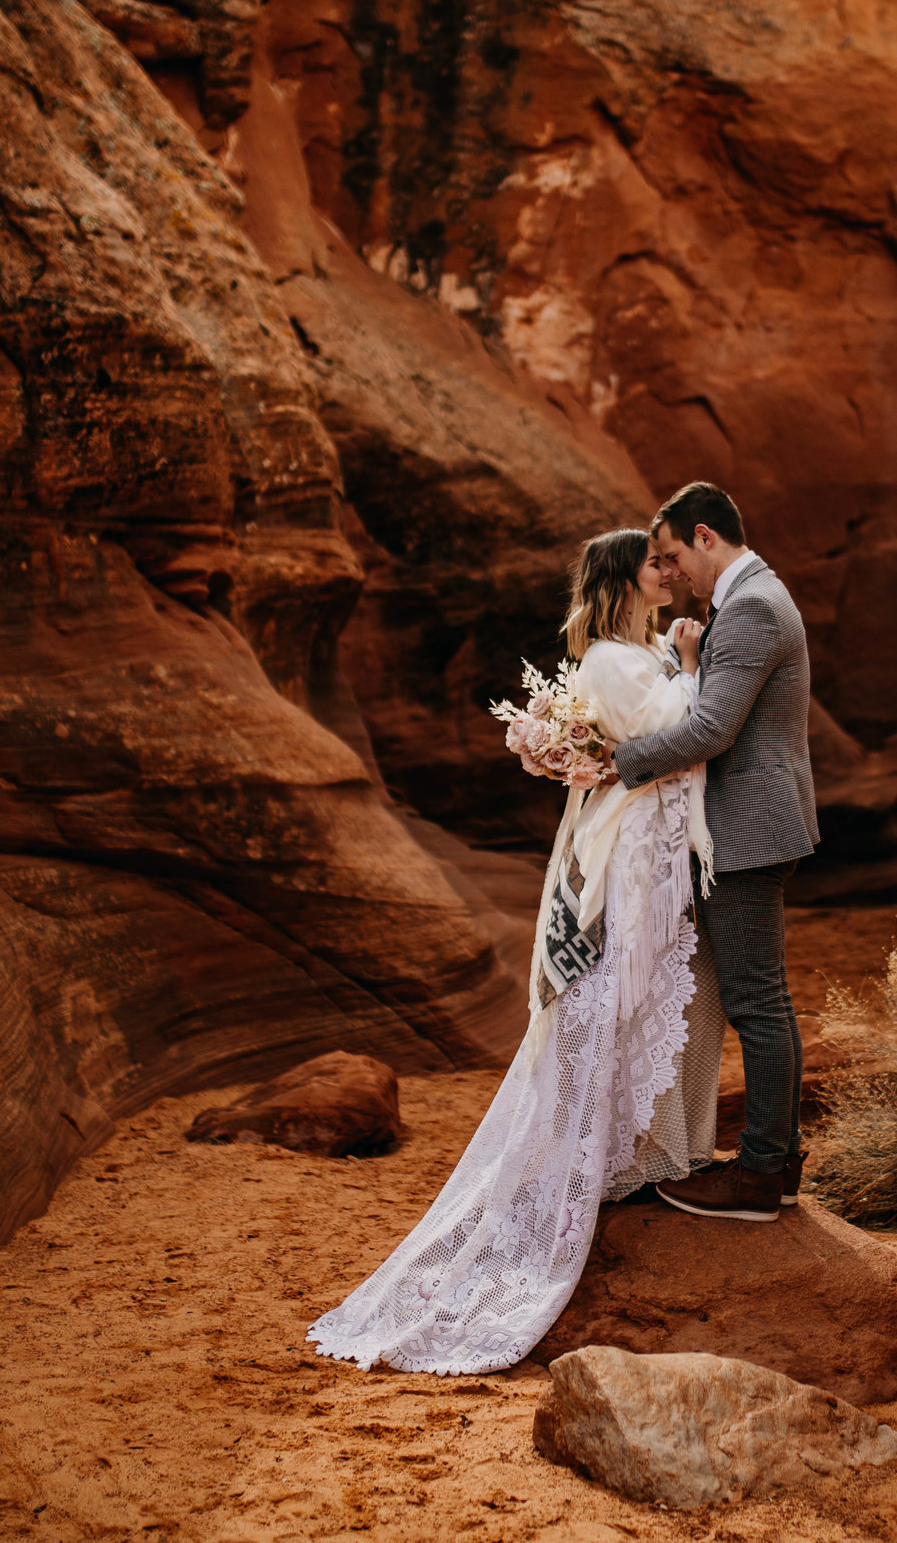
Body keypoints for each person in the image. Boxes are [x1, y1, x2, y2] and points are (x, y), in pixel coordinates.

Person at [307, 528, 725, 1374]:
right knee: (615, 996)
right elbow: (663, 733)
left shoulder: (638, 646)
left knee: (649, 1003)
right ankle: (586, 1176)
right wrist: (689, 663)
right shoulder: (614, 656)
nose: (668, 571)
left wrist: (675, 655)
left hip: (659, 839)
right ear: (620, 580)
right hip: (633, 844)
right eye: (655, 563)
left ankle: (642, 1153)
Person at [606, 482, 817, 1222]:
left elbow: (711, 730)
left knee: (756, 1002)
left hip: (749, 829)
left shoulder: (753, 603)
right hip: (751, 823)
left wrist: (621, 759)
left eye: (671, 556)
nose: (671, 575)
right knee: (762, 999)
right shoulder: (749, 597)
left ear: (704, 537)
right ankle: (778, 1162)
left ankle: (759, 1175)